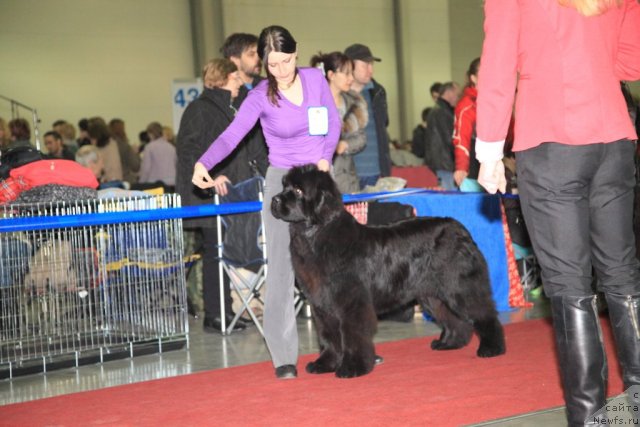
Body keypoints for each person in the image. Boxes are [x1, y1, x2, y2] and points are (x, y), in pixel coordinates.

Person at [475, 1, 640, 425]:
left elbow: (496, 64)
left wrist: (489, 149)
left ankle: (590, 419)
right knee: (623, 276)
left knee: (570, 287)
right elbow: (631, 61)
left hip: (552, 140)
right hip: (614, 139)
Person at [192, 25, 340, 379]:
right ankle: (284, 357)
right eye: (272, 64)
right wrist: (203, 162)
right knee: (281, 268)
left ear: (296, 53)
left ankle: (345, 346)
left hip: (318, 181)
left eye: (286, 61)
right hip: (284, 185)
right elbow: (231, 136)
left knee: (337, 264)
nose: (281, 71)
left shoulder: (316, 80)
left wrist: (325, 156)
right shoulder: (259, 95)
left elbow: (332, 122)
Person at [177, 58, 268, 332]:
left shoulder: (233, 107)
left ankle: (225, 311)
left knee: (223, 252)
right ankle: (215, 315)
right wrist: (208, 179)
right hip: (209, 196)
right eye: (236, 78)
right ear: (223, 78)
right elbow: (188, 151)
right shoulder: (200, 110)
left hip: (233, 193)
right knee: (214, 252)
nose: (241, 83)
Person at [310, 51, 368, 194]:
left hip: (347, 179)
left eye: (351, 74)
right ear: (331, 75)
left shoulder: (353, 104)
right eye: (346, 74)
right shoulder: (314, 105)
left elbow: (361, 138)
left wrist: (345, 144)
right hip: (320, 177)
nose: (351, 78)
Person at [344, 43, 391, 189]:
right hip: (346, 172)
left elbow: (384, 126)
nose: (370, 70)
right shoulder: (337, 94)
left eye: (371, 65)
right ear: (350, 65)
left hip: (375, 172)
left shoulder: (377, 92)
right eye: (365, 65)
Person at [422, 82, 460, 190]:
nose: (458, 98)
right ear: (448, 93)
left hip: (441, 163)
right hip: (445, 164)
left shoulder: (438, 111)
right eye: (456, 95)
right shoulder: (442, 113)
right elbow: (450, 139)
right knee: (451, 198)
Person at [452, 58, 481, 189]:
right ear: (473, 78)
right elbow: (461, 138)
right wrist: (461, 167)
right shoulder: (467, 105)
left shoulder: (497, 101)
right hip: (475, 166)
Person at [139, 121, 176, 188]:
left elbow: (146, 168)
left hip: (155, 184)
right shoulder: (171, 147)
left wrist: (141, 183)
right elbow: (176, 164)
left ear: (150, 134)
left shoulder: (149, 147)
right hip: (172, 182)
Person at [87, 117, 123, 182]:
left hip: (110, 182)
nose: (91, 140)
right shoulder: (111, 143)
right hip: (113, 181)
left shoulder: (106, 148)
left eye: (91, 137)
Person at [109, 118, 141, 184]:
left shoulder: (107, 145)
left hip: (110, 181)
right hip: (126, 180)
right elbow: (136, 166)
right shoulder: (125, 146)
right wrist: (136, 153)